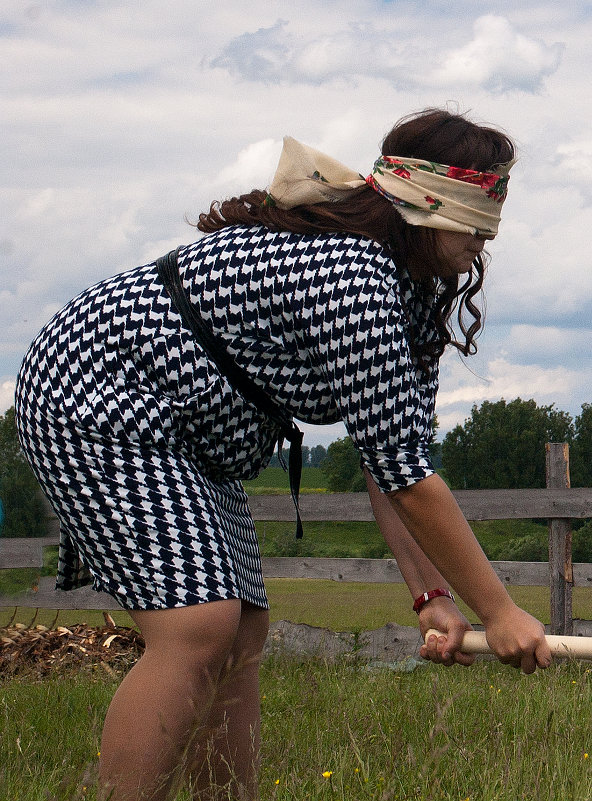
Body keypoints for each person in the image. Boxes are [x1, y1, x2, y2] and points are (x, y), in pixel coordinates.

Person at [15, 108, 551, 801]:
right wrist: (500, 610)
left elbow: (390, 459)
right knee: (195, 625)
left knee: (241, 627)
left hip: (193, 436)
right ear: (423, 202)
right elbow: (410, 479)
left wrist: (432, 598)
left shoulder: (407, 290)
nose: (484, 237)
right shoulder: (352, 274)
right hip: (98, 393)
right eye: (474, 218)